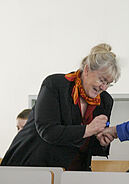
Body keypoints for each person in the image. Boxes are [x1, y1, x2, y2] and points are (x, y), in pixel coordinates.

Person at [1, 43, 120, 171]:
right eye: (102, 80)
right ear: (86, 70)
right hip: (32, 165)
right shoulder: (56, 85)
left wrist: (102, 141)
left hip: (73, 170)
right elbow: (48, 131)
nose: (104, 87)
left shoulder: (105, 101)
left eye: (108, 83)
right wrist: (87, 130)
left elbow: (91, 148)